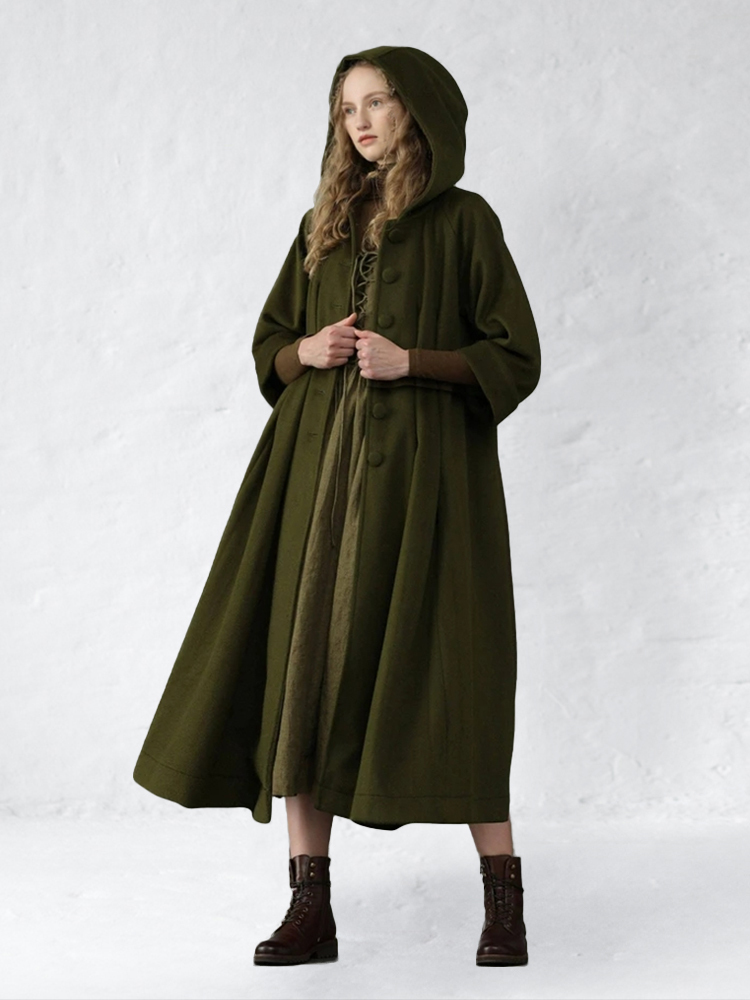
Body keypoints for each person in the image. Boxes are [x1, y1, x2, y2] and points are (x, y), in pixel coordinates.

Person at [133, 45, 541, 968]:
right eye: (346, 108)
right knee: (301, 676)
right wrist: (303, 352)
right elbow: (270, 344)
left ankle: (504, 906)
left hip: (428, 487)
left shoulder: (466, 222)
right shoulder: (322, 222)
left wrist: (416, 362)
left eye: (379, 103)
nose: (360, 123)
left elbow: (516, 355)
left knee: (457, 679)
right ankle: (310, 908)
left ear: (418, 112)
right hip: (314, 484)